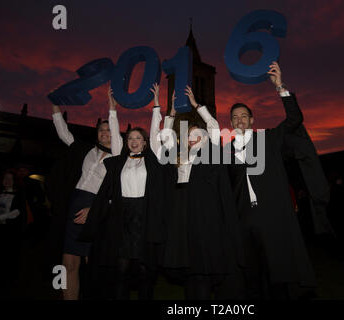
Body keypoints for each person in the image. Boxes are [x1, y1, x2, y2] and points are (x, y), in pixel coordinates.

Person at [226, 61, 316, 299]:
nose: (240, 120)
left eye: (244, 116)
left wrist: (280, 88)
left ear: (252, 121)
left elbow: (294, 120)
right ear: (231, 123)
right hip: (243, 219)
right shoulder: (224, 152)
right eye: (235, 117)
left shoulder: (268, 140)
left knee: (277, 276)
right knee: (251, 278)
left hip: (271, 217)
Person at [79, 83, 168, 300]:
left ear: (145, 143)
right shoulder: (119, 160)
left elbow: (156, 129)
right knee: (121, 270)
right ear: (126, 142)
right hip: (123, 218)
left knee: (146, 270)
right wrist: (112, 108)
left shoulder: (152, 160)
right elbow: (114, 128)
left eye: (138, 138)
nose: (134, 141)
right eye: (130, 138)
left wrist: (157, 103)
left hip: (145, 217)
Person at [161, 86, 243, 300]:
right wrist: (171, 114)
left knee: (203, 266)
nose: (192, 138)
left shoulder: (211, 153)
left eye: (197, 134)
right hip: (181, 213)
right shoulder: (180, 157)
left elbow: (214, 126)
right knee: (188, 266)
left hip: (203, 213)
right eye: (189, 135)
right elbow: (167, 140)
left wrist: (197, 106)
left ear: (205, 138)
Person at [45, 87, 120, 300]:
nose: (104, 133)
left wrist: (112, 108)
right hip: (75, 204)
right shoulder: (85, 150)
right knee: (68, 263)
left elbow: (115, 191)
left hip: (96, 207)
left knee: (93, 265)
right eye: (101, 130)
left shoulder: (118, 155)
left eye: (108, 130)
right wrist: (55, 107)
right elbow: (63, 133)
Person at [0, 170, 26, 297]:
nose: (7, 181)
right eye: (5, 178)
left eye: (10, 179)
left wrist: (1, 218)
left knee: (9, 256)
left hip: (10, 232)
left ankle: (8, 284)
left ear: (14, 181)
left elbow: (17, 211)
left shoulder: (18, 195)